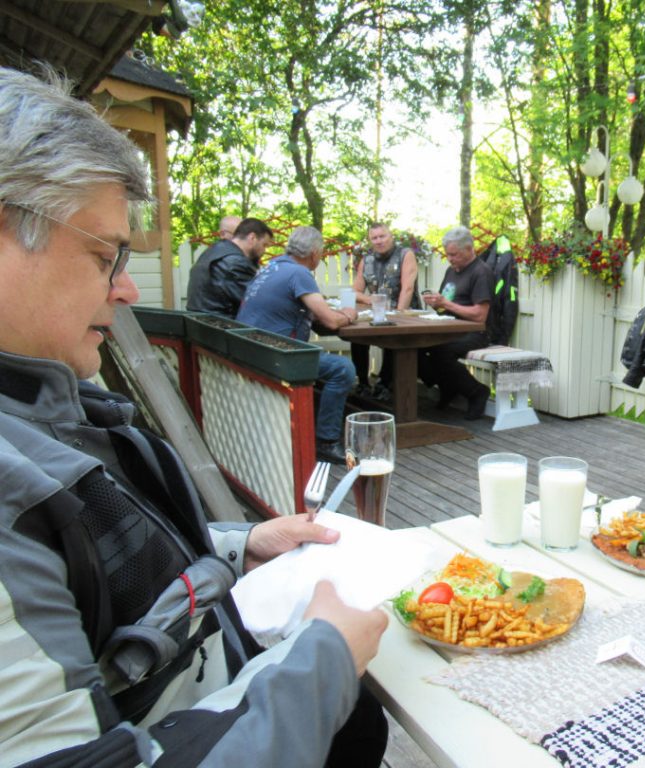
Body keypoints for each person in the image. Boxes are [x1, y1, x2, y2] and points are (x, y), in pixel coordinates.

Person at [0, 67, 388, 766]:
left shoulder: (43, 405)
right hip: (225, 713)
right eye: (104, 255)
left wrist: (238, 545)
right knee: (338, 371)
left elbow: (94, 576)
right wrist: (324, 662)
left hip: (218, 682)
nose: (126, 287)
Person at [238, 226, 358, 464]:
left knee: (326, 366)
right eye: (321, 253)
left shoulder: (271, 267)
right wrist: (349, 314)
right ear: (314, 253)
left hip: (251, 349)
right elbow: (331, 321)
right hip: (274, 354)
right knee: (342, 369)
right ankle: (326, 442)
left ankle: (318, 425)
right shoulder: (299, 273)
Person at [419, 226, 493, 419]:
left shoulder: (481, 272)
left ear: (469, 249)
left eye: (454, 254)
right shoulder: (451, 271)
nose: (450, 259)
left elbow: (480, 315)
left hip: (476, 332)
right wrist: (436, 304)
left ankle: (476, 392)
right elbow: (446, 307)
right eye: (448, 254)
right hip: (450, 328)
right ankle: (448, 385)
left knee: (441, 351)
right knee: (414, 346)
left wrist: (446, 304)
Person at [351, 222, 420, 401]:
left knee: (393, 336)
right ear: (370, 240)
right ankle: (363, 383)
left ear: (391, 236)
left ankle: (385, 383)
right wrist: (370, 300)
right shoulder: (366, 260)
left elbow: (407, 289)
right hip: (377, 313)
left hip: (405, 314)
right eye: (374, 238)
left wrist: (398, 315)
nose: (379, 241)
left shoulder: (405, 254)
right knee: (356, 336)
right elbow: (355, 291)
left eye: (382, 236)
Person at [186, 216, 273, 317]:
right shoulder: (236, 262)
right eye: (264, 245)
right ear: (252, 238)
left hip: (201, 322)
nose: (264, 250)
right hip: (221, 324)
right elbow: (257, 302)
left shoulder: (211, 252)